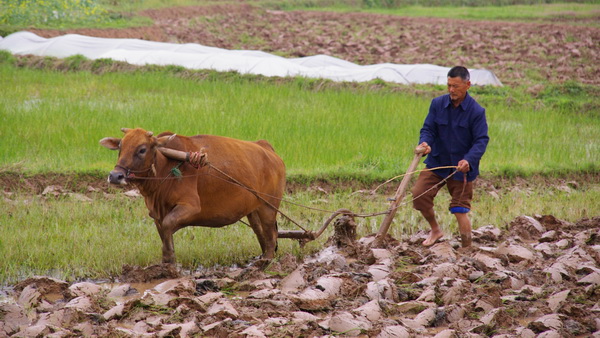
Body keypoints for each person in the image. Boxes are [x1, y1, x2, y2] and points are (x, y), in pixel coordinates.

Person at [411, 66, 489, 248]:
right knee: (418, 195)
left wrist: (468, 160)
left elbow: (481, 141)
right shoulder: (437, 104)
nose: (451, 90)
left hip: (461, 168)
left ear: (468, 85)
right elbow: (428, 129)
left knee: (459, 209)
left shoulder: (476, 112)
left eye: (456, 86)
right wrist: (425, 143)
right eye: (449, 86)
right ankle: (435, 230)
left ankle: (467, 248)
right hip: (437, 162)